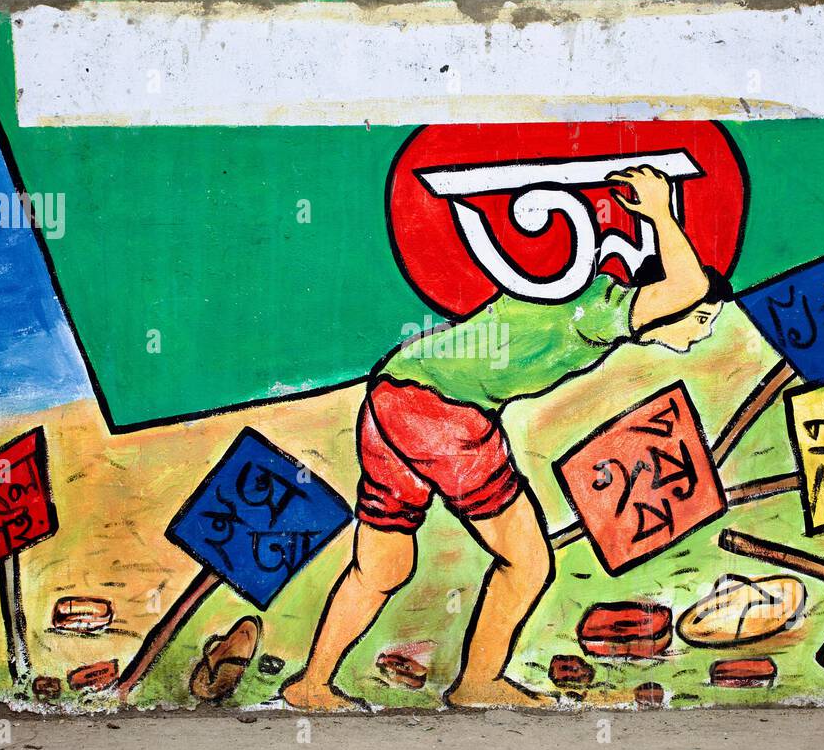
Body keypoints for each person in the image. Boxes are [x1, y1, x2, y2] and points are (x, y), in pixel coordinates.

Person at [281, 165, 733, 710]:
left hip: (390, 398)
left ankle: (311, 685)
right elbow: (686, 285)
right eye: (702, 319)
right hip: (444, 418)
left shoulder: (564, 292)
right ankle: (477, 683)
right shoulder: (597, 311)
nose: (702, 332)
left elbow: (681, 291)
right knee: (527, 561)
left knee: (383, 566)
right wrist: (660, 208)